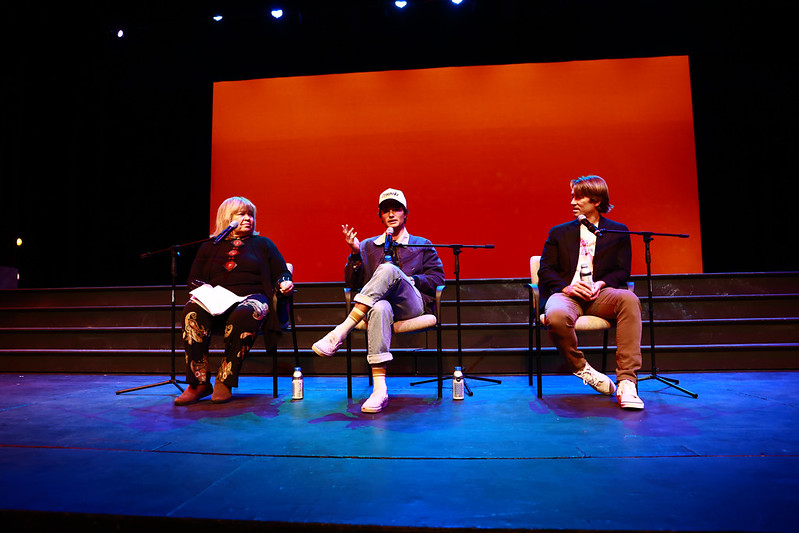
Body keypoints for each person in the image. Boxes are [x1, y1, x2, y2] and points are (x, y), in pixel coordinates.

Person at [312, 188, 445, 413]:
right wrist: (355, 254)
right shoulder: (367, 246)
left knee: (388, 269)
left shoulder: (422, 243)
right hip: (378, 308)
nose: (391, 214)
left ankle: (341, 331)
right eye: (386, 211)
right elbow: (352, 283)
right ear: (381, 216)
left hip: (411, 305)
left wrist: (409, 279)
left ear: (405, 214)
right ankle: (379, 389)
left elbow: (437, 278)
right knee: (381, 307)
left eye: (397, 210)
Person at [537, 175, 645, 409]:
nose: (572, 202)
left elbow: (621, 271)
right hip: (567, 294)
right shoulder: (559, 233)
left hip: (600, 296)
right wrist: (568, 287)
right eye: (572, 197)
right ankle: (581, 368)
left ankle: (627, 381)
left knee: (629, 299)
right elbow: (545, 270)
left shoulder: (618, 231)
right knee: (555, 316)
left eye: (578, 197)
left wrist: (600, 284)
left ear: (596, 201)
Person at [174, 196, 294, 406]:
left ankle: (225, 380)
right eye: (242, 214)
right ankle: (198, 382)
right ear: (227, 218)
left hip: (251, 298)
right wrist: (206, 292)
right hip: (216, 299)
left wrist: (285, 283)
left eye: (251, 214)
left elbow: (282, 272)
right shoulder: (210, 246)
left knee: (244, 314)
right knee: (191, 313)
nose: (248, 218)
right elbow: (193, 279)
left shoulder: (263, 244)